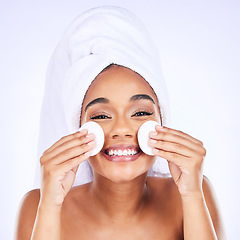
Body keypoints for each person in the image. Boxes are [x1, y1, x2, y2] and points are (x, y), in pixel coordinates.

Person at [15, 6, 226, 240]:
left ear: (162, 121)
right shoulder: (37, 206)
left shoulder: (194, 195)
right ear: (77, 128)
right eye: (101, 116)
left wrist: (192, 194)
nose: (122, 129)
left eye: (140, 113)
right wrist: (51, 206)